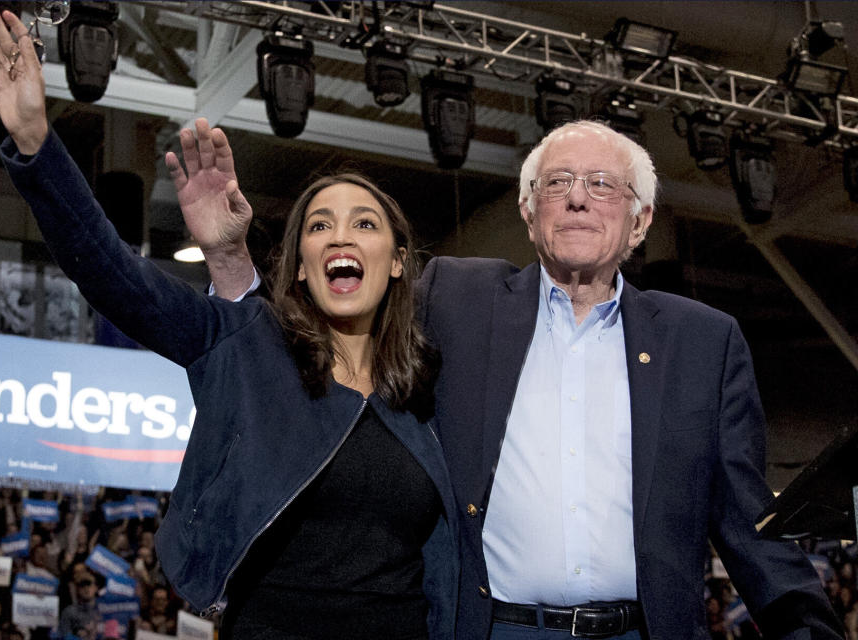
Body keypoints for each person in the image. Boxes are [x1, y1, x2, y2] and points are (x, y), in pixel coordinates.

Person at [189, 113, 843, 636]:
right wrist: (227, 260)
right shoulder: (455, 299)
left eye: (603, 184)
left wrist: (806, 623)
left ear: (641, 220)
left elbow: (748, 517)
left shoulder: (704, 342)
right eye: (556, 184)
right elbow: (322, 343)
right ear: (529, 215)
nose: (578, 198)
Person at [0, 7, 458, 640]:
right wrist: (37, 141)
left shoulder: (430, 389)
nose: (341, 235)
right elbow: (114, 277)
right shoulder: (250, 352)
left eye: (365, 223)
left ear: (396, 264)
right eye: (318, 224)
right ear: (301, 268)